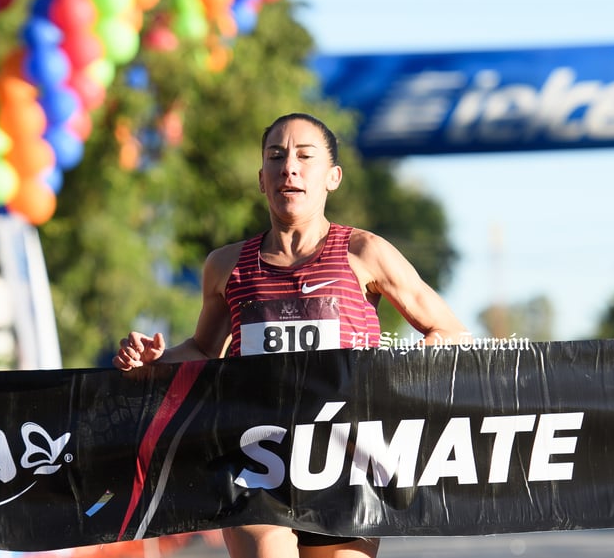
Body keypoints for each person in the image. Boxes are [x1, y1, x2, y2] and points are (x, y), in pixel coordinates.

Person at [113, 112, 468, 558]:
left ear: (332, 177)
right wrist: (152, 361)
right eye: (276, 157)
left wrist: (394, 380)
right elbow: (206, 349)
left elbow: (450, 331)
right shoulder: (226, 266)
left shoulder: (364, 252)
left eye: (305, 156)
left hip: (346, 459)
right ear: (262, 178)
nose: (289, 168)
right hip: (256, 458)